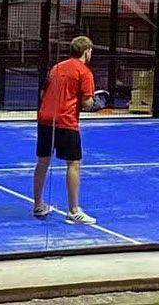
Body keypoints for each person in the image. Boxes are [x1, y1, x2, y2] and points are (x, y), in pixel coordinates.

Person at [32, 36, 99, 224]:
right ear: (86, 52)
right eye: (91, 51)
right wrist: (96, 103)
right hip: (66, 121)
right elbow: (87, 103)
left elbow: (43, 93)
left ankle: (38, 205)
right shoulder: (85, 72)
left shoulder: (56, 68)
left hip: (45, 118)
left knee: (43, 162)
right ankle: (74, 210)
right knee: (74, 164)